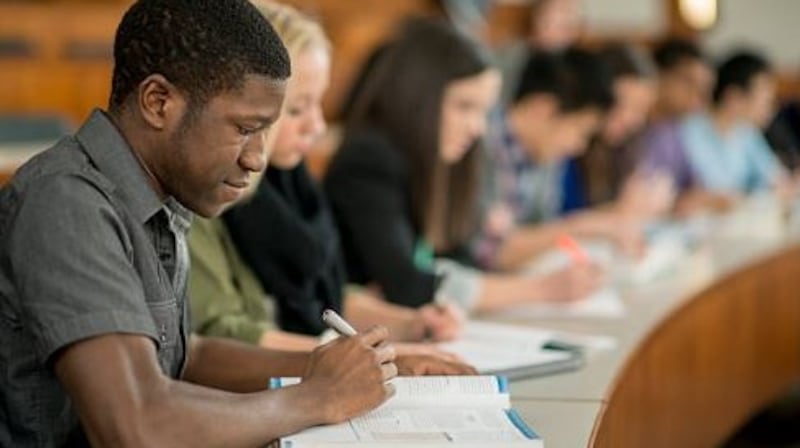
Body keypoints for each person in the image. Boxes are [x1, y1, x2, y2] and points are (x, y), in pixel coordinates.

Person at [0, 1, 467, 446]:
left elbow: (186, 358)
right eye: (245, 129)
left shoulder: (155, 196)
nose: (257, 157)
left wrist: (354, 369)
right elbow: (135, 425)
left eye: (266, 130)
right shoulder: (66, 201)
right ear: (159, 102)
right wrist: (315, 396)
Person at [189, 1, 463, 350]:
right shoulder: (206, 195)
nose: (316, 126)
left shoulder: (294, 185)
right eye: (297, 108)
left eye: (319, 103)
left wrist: (411, 324)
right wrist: (369, 356)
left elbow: (326, 295)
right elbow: (222, 333)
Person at [324, 18, 601, 313]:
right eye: (464, 106)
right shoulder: (369, 159)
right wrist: (542, 289)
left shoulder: (439, 160)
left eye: (483, 111)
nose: (478, 128)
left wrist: (447, 286)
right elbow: (405, 285)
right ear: (419, 97)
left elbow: (460, 260)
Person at [475, 47, 644, 272]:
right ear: (543, 109)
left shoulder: (543, 157)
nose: (579, 146)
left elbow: (543, 228)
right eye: (579, 131)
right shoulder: (479, 145)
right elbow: (492, 252)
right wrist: (579, 227)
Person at [564, 42, 673, 218]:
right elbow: (551, 222)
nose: (635, 121)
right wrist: (619, 211)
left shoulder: (624, 148)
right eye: (626, 106)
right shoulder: (565, 147)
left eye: (641, 110)